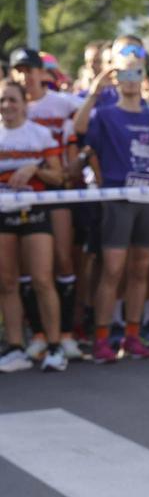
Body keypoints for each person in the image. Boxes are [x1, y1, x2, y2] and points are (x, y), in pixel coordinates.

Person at [72, 47, 149, 363]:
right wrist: (93, 93)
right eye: (125, 72)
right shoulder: (105, 113)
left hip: (148, 197)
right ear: (115, 76)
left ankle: (132, 335)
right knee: (113, 270)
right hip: (118, 198)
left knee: (141, 269)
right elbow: (78, 131)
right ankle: (102, 337)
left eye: (137, 72)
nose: (131, 79)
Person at [13, 46, 84, 361]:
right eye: (19, 70)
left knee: (62, 261)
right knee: (26, 270)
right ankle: (39, 333)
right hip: (16, 199)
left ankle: (65, 333)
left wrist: (76, 161)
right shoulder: (9, 105)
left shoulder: (63, 103)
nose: (25, 76)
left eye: (30, 69)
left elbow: (84, 128)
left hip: (55, 192)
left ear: (43, 72)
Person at [0, 78, 67, 372]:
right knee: (7, 282)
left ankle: (54, 346)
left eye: (12, 100)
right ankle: (15, 346)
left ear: (25, 103)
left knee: (42, 278)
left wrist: (34, 169)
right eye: (2, 100)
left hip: (36, 212)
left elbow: (59, 176)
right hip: (3, 214)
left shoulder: (40, 135)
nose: (6, 106)